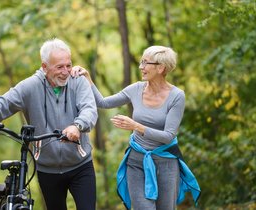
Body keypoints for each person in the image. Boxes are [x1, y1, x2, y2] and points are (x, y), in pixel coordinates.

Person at [0, 38, 98, 210]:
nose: (66, 71)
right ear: (45, 67)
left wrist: (78, 125)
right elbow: (5, 102)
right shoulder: (31, 86)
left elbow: (90, 109)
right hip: (48, 169)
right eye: (59, 67)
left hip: (80, 166)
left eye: (68, 65)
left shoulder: (78, 82)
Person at [71, 45, 201, 210]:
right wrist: (87, 77)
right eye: (141, 62)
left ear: (161, 68)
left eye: (146, 63)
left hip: (166, 163)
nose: (141, 67)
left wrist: (136, 126)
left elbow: (168, 136)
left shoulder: (176, 96)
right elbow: (103, 102)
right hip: (137, 161)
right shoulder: (136, 89)